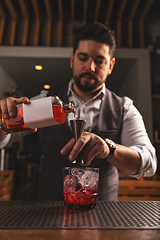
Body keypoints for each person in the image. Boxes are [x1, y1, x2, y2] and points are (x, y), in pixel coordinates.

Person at [0, 22, 157, 201]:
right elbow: (6, 139)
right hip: (48, 215)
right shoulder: (46, 101)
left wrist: (109, 149)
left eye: (99, 61)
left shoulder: (124, 108)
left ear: (111, 65)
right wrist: (3, 125)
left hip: (104, 219)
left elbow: (149, 164)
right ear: (72, 59)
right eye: (83, 58)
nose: (90, 67)